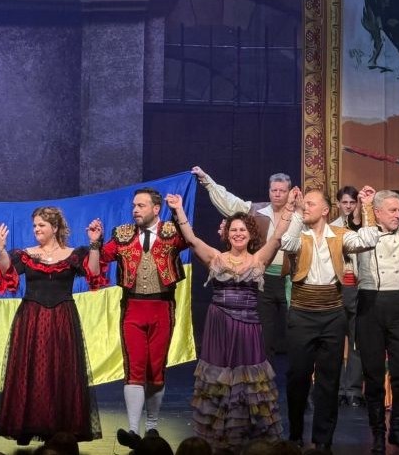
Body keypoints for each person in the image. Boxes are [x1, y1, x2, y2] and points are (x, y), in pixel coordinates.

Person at [168, 193, 288, 449]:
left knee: (249, 379)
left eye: (242, 229)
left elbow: (277, 238)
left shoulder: (259, 259)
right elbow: (191, 239)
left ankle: (252, 439)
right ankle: (218, 438)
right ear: (226, 234)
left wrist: (288, 209)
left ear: (250, 234)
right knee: (220, 379)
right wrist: (178, 209)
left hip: (248, 326)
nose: (238, 233)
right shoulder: (215, 257)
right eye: (233, 230)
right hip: (220, 324)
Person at [0, 207, 106, 444]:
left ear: (55, 227)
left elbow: (93, 272)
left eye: (41, 225)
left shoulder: (73, 254)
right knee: (32, 370)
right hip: (32, 319)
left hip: (62, 318)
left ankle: (61, 427)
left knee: (61, 370)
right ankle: (28, 425)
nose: (36, 229)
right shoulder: (27, 254)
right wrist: (1, 249)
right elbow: (7, 271)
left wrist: (94, 244)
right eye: (34, 225)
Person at [87, 187, 189, 447]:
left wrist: (179, 211)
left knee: (156, 368)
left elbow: (189, 241)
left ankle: (151, 427)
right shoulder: (122, 235)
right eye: (134, 205)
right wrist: (95, 243)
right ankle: (133, 430)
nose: (135, 210)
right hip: (132, 307)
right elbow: (96, 267)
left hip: (162, 307)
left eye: (141, 205)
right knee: (134, 367)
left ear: (156, 209)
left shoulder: (172, 231)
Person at [280, 187, 380, 451]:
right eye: (305, 203)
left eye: (311, 204)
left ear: (325, 210)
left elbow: (369, 239)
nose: (306, 206)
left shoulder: (340, 235)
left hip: (332, 314)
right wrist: (296, 211)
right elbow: (287, 244)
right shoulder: (299, 235)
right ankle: (295, 434)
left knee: (329, 380)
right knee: (298, 376)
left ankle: (323, 440)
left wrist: (367, 206)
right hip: (302, 313)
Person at [191, 167, 292, 358]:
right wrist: (207, 181)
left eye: (282, 190)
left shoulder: (298, 215)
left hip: (291, 279)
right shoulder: (256, 210)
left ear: (289, 192)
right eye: (274, 190)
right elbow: (228, 201)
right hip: (263, 278)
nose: (277, 194)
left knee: (294, 331)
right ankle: (261, 371)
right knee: (264, 334)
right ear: (269, 191)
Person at [355, 190, 399, 455]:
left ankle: (398, 426)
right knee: (373, 375)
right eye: (392, 210)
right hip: (370, 306)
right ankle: (378, 432)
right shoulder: (363, 234)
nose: (398, 215)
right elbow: (352, 225)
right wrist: (363, 205)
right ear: (377, 212)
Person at [331, 185, 364, 408]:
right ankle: (336, 389)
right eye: (345, 202)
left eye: (352, 202)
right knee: (334, 341)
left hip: (359, 288)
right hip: (338, 288)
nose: (348, 206)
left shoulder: (364, 227)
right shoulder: (332, 228)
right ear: (338, 204)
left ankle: (353, 390)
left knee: (356, 342)